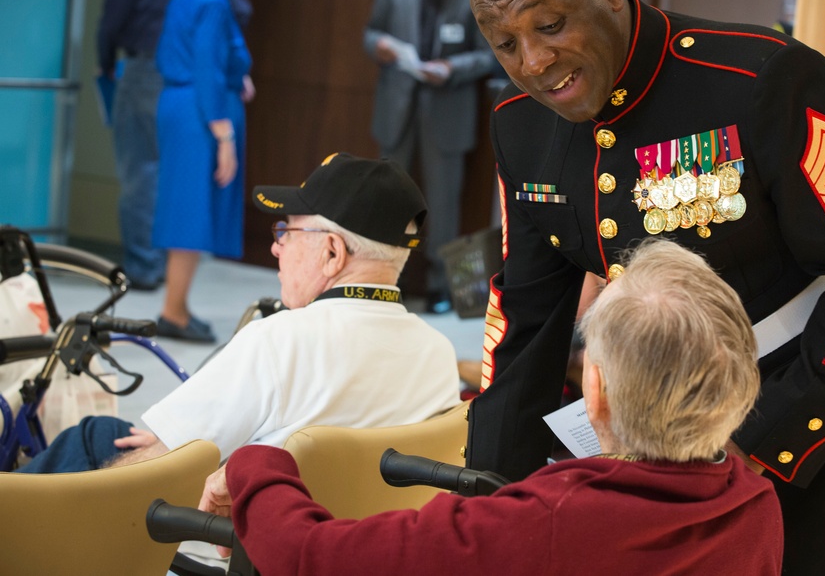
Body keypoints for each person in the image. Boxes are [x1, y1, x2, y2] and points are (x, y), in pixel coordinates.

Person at [464, 0, 825, 575]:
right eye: (505, 45)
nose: (534, 63)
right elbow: (524, 323)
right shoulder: (521, 130)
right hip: (666, 479)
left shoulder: (761, 79)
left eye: (549, 25)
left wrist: (764, 441)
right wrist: (488, 493)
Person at [200, 238, 784, 575]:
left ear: (597, 392)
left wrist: (256, 463)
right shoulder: (757, 505)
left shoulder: (550, 517)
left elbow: (311, 559)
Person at [17, 153, 461, 473]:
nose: (275, 247)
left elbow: (153, 467)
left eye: (286, 231)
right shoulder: (437, 355)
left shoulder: (280, 340)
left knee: (96, 438)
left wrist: (164, 445)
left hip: (242, 538)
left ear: (331, 252)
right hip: (350, 544)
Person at [363, 0, 496, 313]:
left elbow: (489, 53)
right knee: (391, 197)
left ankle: (441, 288)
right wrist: (380, 47)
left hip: (448, 105)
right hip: (398, 104)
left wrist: (453, 69)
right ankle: (383, 279)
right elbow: (371, 33)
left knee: (443, 201)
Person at [152, 0, 257, 342]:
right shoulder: (212, 0)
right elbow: (207, 69)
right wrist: (224, 136)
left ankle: (175, 306)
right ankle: (173, 311)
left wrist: (239, 78)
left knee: (186, 208)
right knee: (190, 211)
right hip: (199, 113)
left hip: (185, 106)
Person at [97, 0, 197, 291]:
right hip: (186, 80)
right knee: (172, 172)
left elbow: (111, 20)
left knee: (140, 169)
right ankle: (169, 266)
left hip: (145, 72)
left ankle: (142, 267)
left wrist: (106, 64)